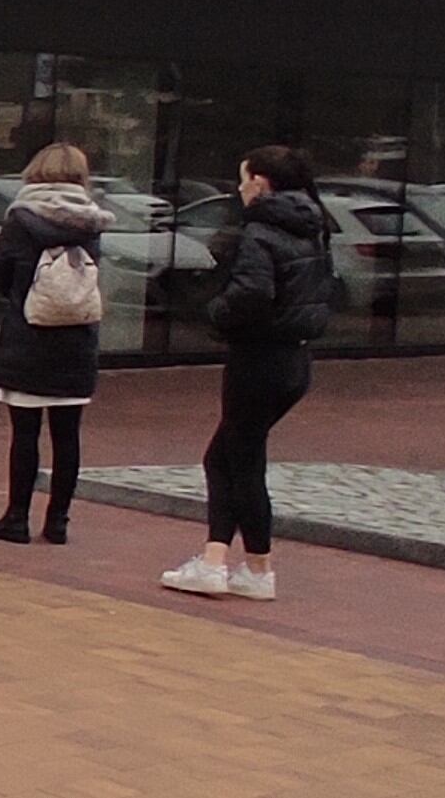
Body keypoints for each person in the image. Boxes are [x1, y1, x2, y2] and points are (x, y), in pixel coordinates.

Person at [161, 145, 332, 602]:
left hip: (258, 359)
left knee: (229, 458)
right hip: (294, 360)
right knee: (240, 455)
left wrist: (214, 312)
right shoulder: (311, 225)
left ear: (260, 182)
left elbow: (252, 291)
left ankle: (215, 562)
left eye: (243, 179)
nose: (238, 188)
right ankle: (257, 568)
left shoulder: (260, 229)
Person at [0, 143, 112, 545]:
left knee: (25, 432)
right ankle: (58, 522)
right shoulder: (91, 221)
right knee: (68, 435)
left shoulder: (21, 219)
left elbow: (1, 273)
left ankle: (16, 517)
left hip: (28, 336)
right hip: (77, 339)